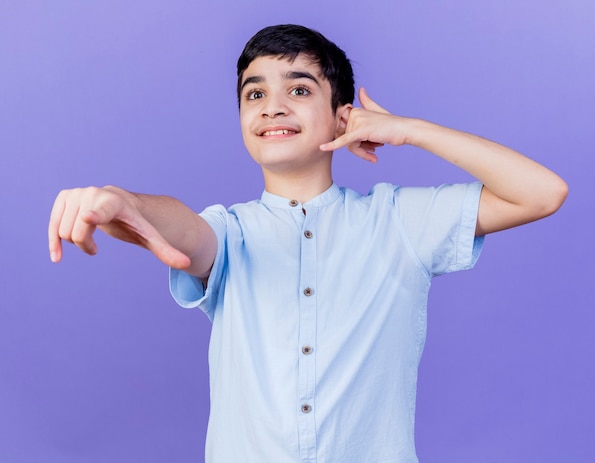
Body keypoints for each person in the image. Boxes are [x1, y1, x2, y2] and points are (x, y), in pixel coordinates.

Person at [48, 24, 568, 463]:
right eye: (255, 94)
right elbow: (182, 229)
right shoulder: (230, 231)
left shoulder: (399, 221)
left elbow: (543, 193)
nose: (272, 107)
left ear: (343, 117)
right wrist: (121, 201)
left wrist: (409, 130)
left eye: (298, 90)